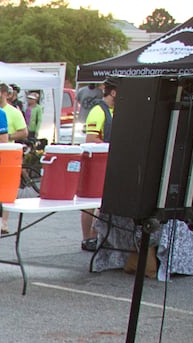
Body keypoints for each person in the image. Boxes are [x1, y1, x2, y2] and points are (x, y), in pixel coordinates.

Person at [80, 83, 115, 251]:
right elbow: (91, 138)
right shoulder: (98, 111)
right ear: (113, 92)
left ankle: (98, 234)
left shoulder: (116, 111)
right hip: (95, 162)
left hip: (110, 162)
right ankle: (87, 238)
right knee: (91, 201)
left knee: (104, 202)